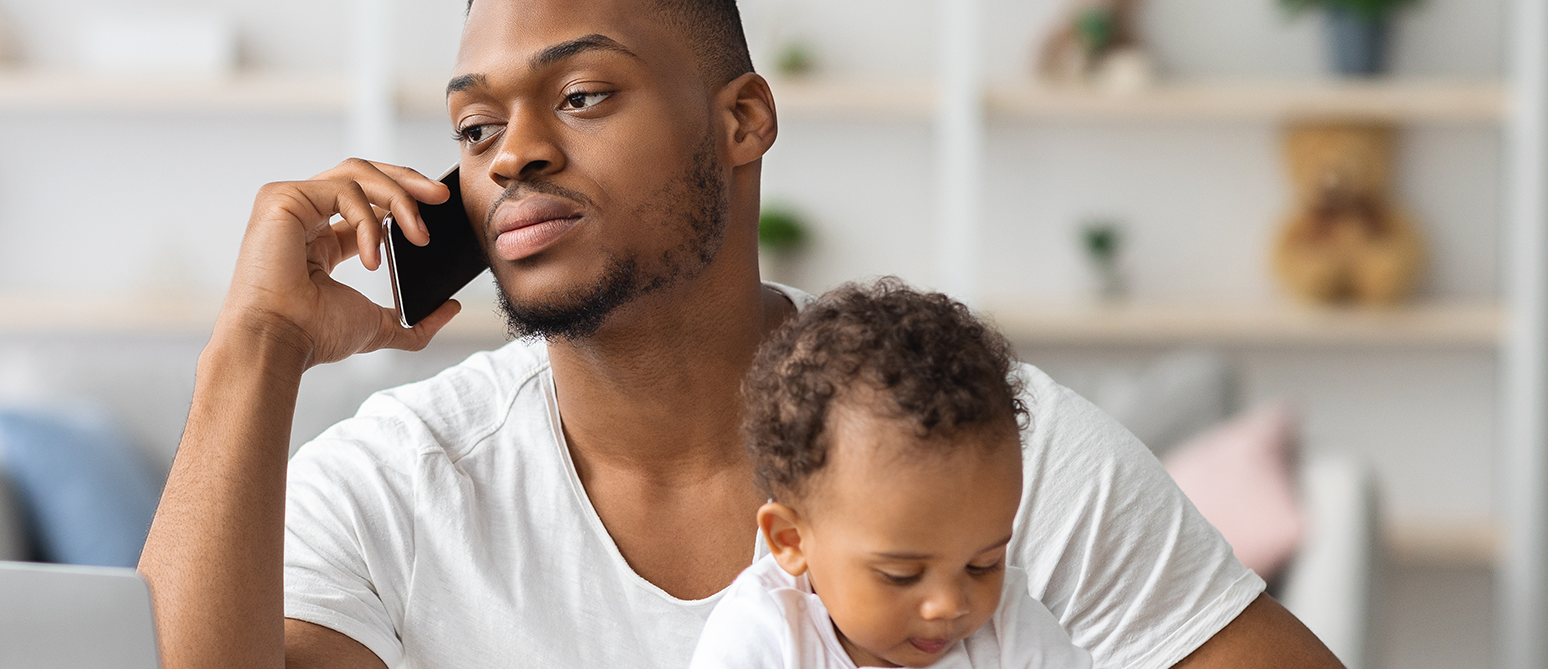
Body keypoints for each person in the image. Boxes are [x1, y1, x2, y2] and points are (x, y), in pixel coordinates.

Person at [137, 0, 1346, 667]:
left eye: (582, 95)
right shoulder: (406, 487)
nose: (514, 154)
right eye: (473, 127)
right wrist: (257, 347)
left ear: (743, 121)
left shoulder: (989, 455)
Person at [690, 279, 1091, 669]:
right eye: (901, 575)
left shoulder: (1009, 627)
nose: (949, 605)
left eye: (983, 564)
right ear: (791, 539)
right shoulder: (763, 633)